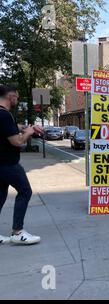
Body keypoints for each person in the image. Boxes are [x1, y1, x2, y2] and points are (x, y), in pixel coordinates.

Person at [0, 85, 44, 245]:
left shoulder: (3, 115)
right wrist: (29, 133)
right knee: (25, 191)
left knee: (1, 196)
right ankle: (17, 232)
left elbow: (11, 129)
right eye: (16, 97)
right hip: (8, 163)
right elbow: (17, 142)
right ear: (10, 96)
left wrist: (27, 127)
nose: (17, 100)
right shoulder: (4, 115)